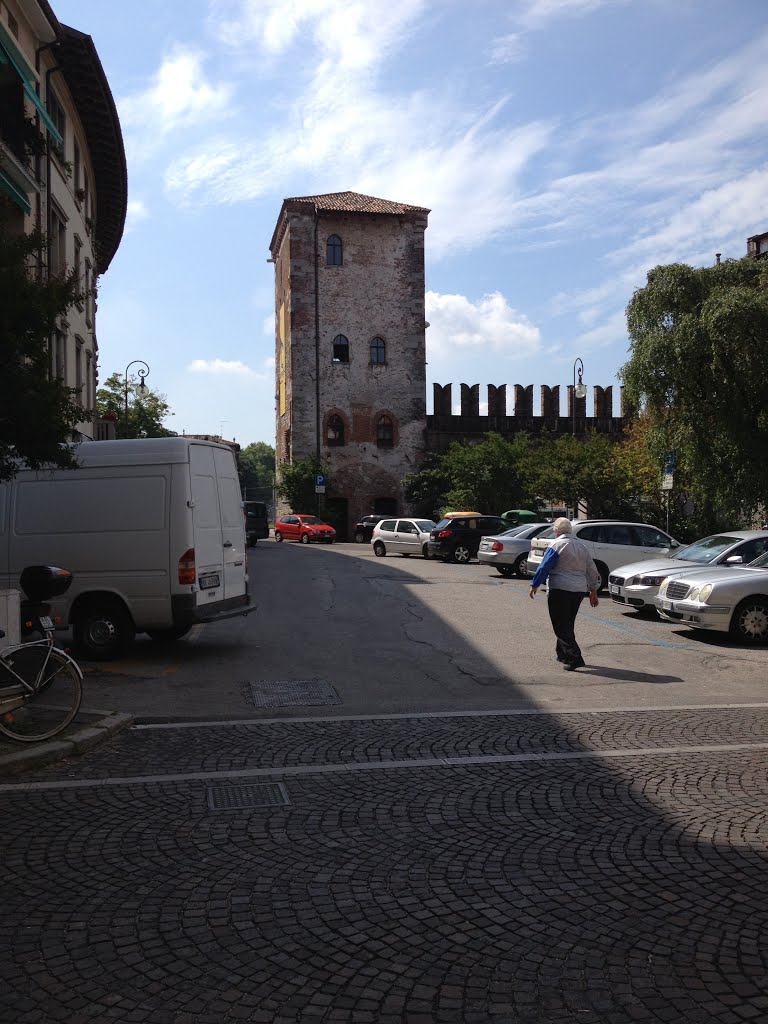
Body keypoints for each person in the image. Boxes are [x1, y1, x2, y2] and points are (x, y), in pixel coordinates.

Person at [529, 517, 600, 671]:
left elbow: (544, 567)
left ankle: (575, 658)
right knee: (567, 622)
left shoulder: (556, 544)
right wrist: (593, 590)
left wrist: (534, 584)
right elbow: (592, 570)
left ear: (556, 532)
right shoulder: (582, 546)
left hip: (560, 588)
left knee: (560, 625)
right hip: (579, 590)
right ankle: (562, 653)